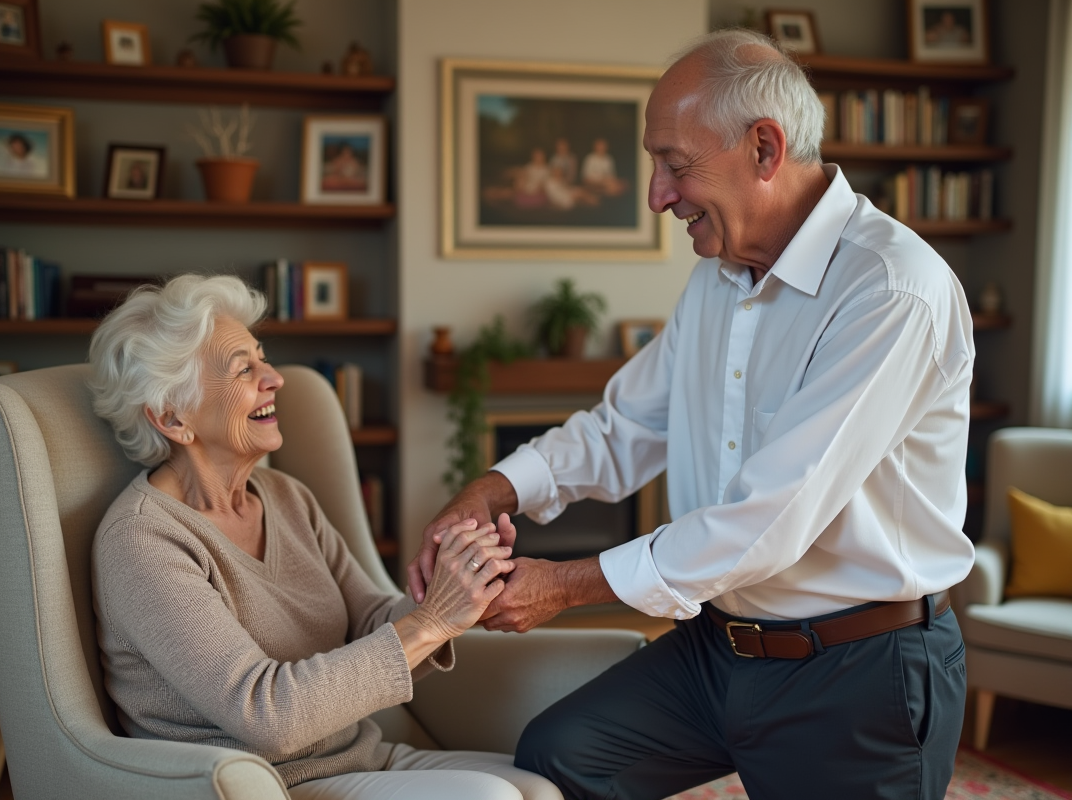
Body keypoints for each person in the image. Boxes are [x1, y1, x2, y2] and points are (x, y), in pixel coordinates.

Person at [410, 29, 974, 800]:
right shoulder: (718, 279)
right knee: (563, 757)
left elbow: (767, 520)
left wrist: (565, 584)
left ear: (765, 149)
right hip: (718, 650)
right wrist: (492, 490)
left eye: (675, 166)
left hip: (858, 669)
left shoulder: (890, 290)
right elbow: (626, 427)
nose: (656, 196)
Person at [88, 274, 560, 800]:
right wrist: (432, 621)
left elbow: (370, 622)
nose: (274, 378)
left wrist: (461, 577)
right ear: (173, 418)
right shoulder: (142, 542)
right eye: (245, 369)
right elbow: (267, 715)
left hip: (360, 757)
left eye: (262, 358)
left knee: (543, 788)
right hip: (264, 783)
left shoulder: (285, 496)